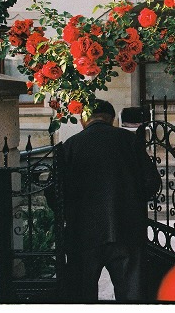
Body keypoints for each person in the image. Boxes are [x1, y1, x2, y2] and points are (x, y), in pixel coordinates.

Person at [60, 99, 160, 302]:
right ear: (112, 120)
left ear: (83, 119)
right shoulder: (129, 141)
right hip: (126, 230)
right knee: (132, 296)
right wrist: (132, 201)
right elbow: (151, 183)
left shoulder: (70, 146)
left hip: (83, 234)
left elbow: (57, 193)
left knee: (82, 297)